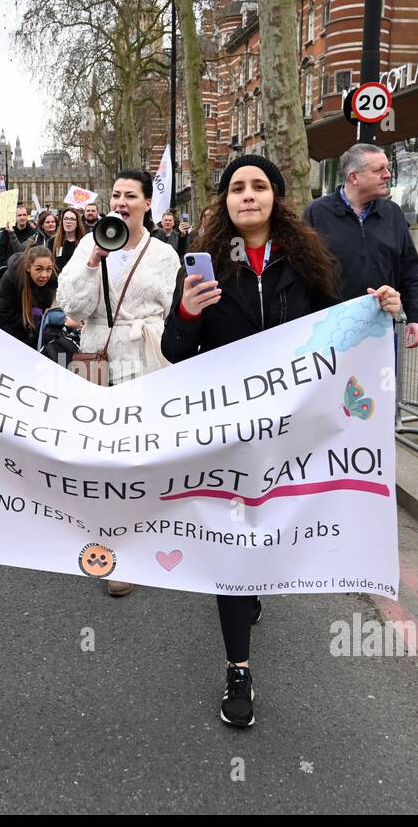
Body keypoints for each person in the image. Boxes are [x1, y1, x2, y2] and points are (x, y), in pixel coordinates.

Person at [162, 154, 403, 728]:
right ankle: (238, 667)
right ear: (224, 202)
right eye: (237, 188)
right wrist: (188, 314)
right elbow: (176, 352)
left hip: (293, 433)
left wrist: (384, 312)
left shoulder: (308, 260)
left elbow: (340, 330)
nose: (248, 195)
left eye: (260, 186)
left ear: (277, 197)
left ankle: (252, 585)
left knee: (265, 537)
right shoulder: (202, 268)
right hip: (230, 434)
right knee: (233, 545)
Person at [58, 170, 180, 598]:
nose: (121, 201)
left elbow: (170, 310)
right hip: (95, 357)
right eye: (115, 194)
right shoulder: (90, 248)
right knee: (99, 453)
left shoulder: (164, 255)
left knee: (137, 454)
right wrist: (92, 262)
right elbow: (72, 306)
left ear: (148, 204)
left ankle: (128, 550)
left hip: (143, 357)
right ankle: (107, 537)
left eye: (131, 195)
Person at [305, 143, 418, 348]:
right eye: (379, 170)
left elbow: (410, 271)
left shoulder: (393, 214)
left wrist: (414, 317)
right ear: (354, 177)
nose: (387, 175)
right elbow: (301, 274)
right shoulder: (317, 213)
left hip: (380, 333)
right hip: (328, 336)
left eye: (387, 168)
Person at [0, 245, 58, 347]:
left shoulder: (52, 280)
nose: (45, 275)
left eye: (49, 269)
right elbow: (5, 314)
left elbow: (44, 307)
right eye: (39, 269)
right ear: (28, 267)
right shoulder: (10, 278)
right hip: (5, 330)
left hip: (31, 329)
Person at [0, 204, 39, 282]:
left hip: (27, 271)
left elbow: (23, 251)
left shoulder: (33, 233)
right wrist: (3, 266)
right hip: (9, 270)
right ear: (15, 218)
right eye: (19, 215)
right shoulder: (7, 232)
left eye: (24, 215)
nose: (22, 217)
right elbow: (1, 250)